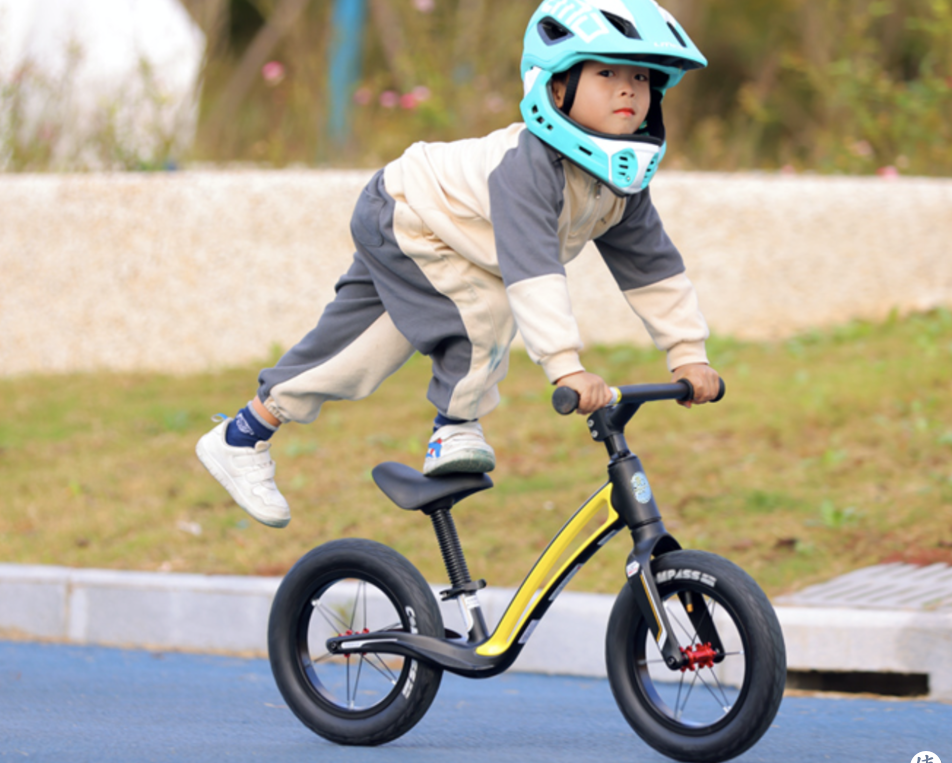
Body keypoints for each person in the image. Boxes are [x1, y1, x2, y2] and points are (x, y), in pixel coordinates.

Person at [196, 0, 721, 528]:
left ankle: (242, 435)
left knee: (358, 353)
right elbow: (533, 275)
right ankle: (455, 425)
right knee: (487, 310)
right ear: (557, 88)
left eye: (641, 77)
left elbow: (654, 270)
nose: (629, 89)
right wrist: (567, 367)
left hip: (444, 234)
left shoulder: (620, 183)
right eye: (606, 73)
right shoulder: (529, 168)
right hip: (409, 211)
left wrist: (687, 354)